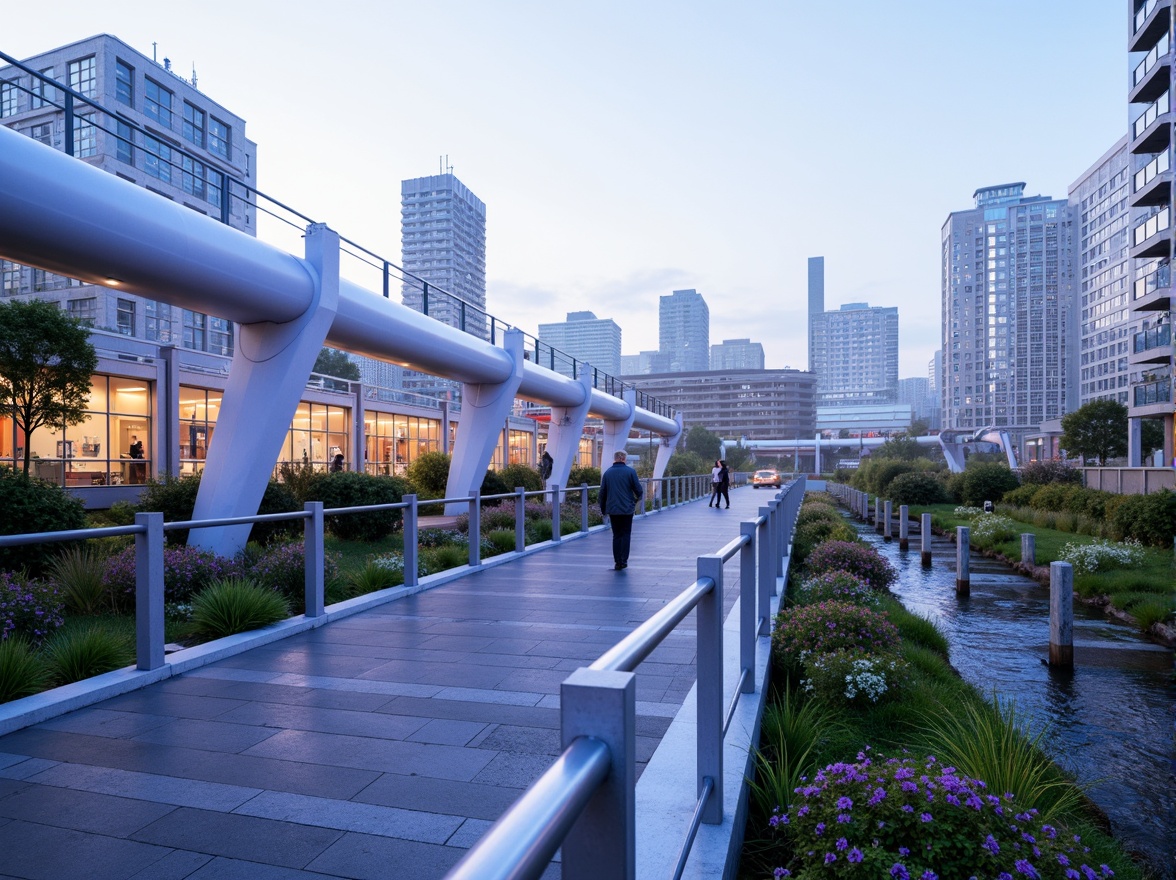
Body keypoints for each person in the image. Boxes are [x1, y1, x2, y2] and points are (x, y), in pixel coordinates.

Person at [599, 450, 643, 570]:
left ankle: (617, 561)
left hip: (613, 509)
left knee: (616, 535)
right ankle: (624, 561)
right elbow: (639, 490)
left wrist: (603, 509)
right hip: (627, 509)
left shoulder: (607, 473)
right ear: (624, 458)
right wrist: (634, 501)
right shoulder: (630, 472)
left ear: (615, 458)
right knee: (626, 534)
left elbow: (602, 493)